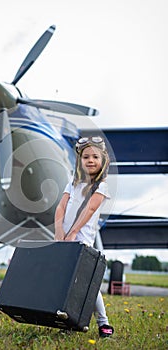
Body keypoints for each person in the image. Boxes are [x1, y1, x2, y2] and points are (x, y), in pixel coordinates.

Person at [54, 135, 114, 338]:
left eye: (95, 156)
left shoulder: (102, 187)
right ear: (79, 160)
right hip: (64, 240)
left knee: (87, 284)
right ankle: (68, 321)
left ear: (102, 160)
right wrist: (59, 232)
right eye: (86, 156)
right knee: (65, 283)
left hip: (82, 241)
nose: (90, 160)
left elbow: (89, 209)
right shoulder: (72, 184)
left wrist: (72, 234)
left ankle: (103, 323)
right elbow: (61, 206)